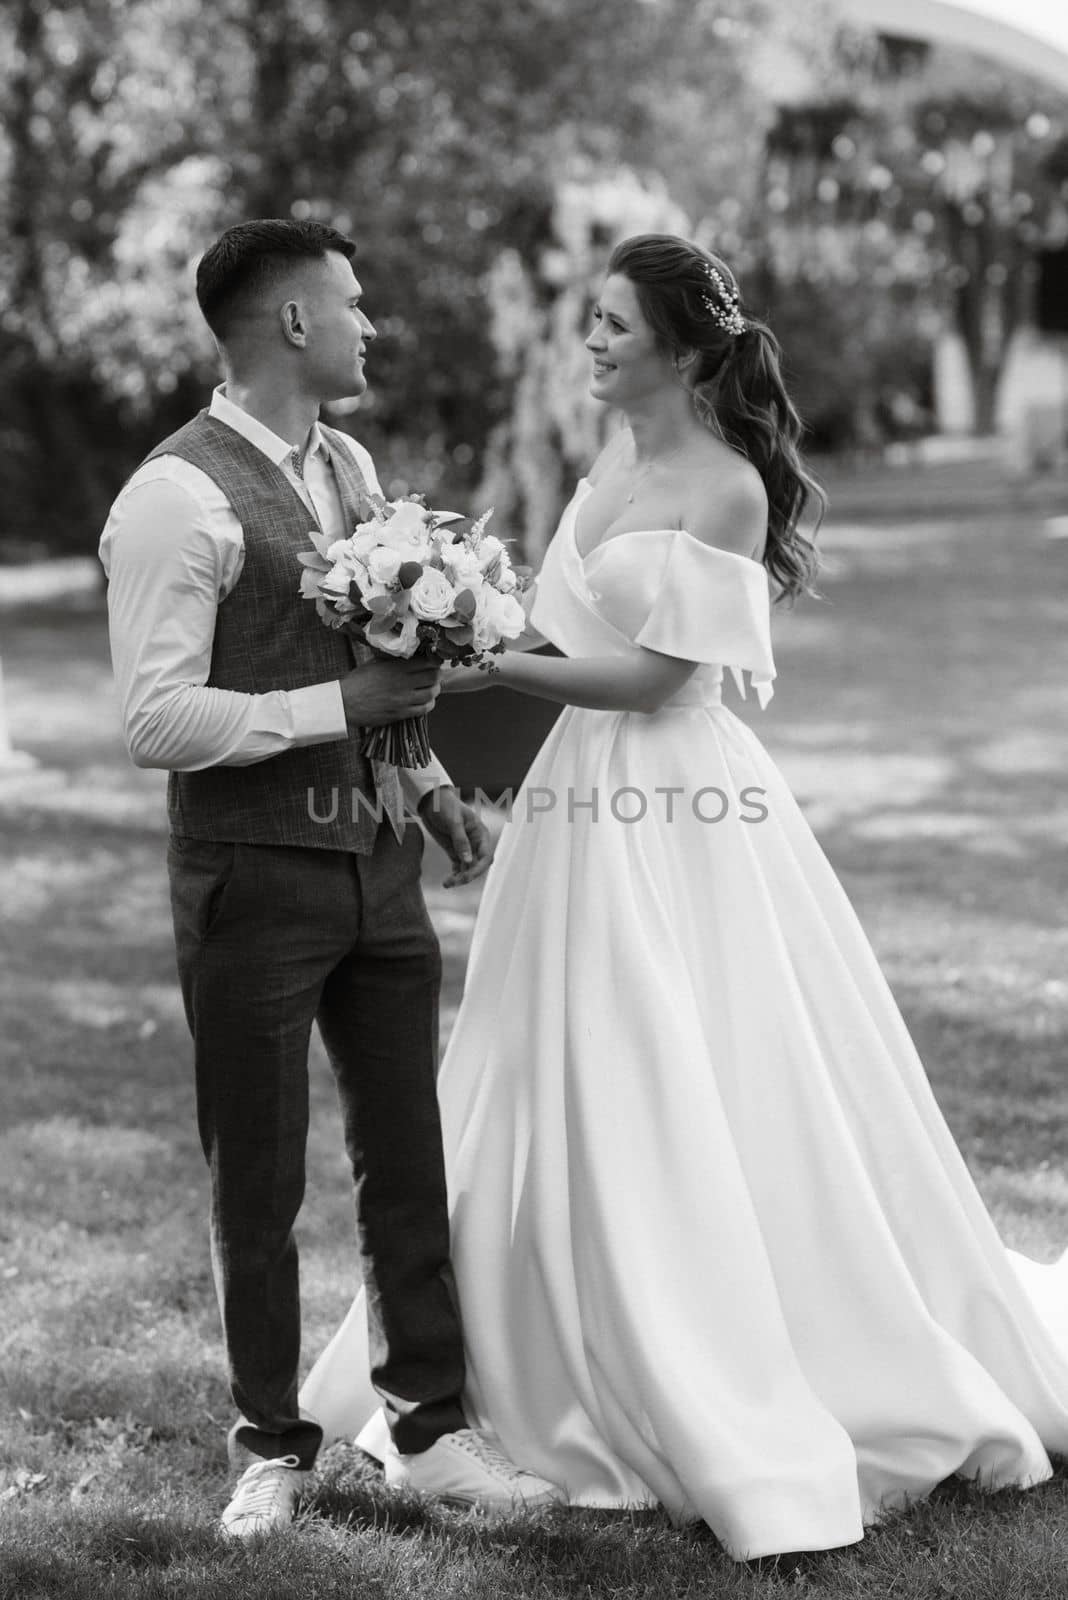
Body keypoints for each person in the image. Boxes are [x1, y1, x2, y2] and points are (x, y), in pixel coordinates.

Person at [300, 233, 1068, 1560]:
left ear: (679, 345)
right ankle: (512, 1357)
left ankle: (713, 1352)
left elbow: (656, 679)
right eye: (586, 323)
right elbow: (559, 634)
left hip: (677, 811)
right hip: (573, 809)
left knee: (684, 1060)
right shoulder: (608, 467)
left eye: (610, 326)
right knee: (546, 1064)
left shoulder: (722, 489)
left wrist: (496, 664)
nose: (588, 344)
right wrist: (456, 647)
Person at [99, 218, 562, 1537]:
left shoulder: (350, 464)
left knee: (406, 1157)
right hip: (251, 879)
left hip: (380, 870)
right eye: (353, 305)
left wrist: (423, 788)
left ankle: (431, 1428)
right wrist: (334, 704)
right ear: (294, 322)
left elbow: (387, 672)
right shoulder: (172, 499)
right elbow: (155, 721)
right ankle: (269, 1446)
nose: (370, 326)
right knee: (257, 1174)